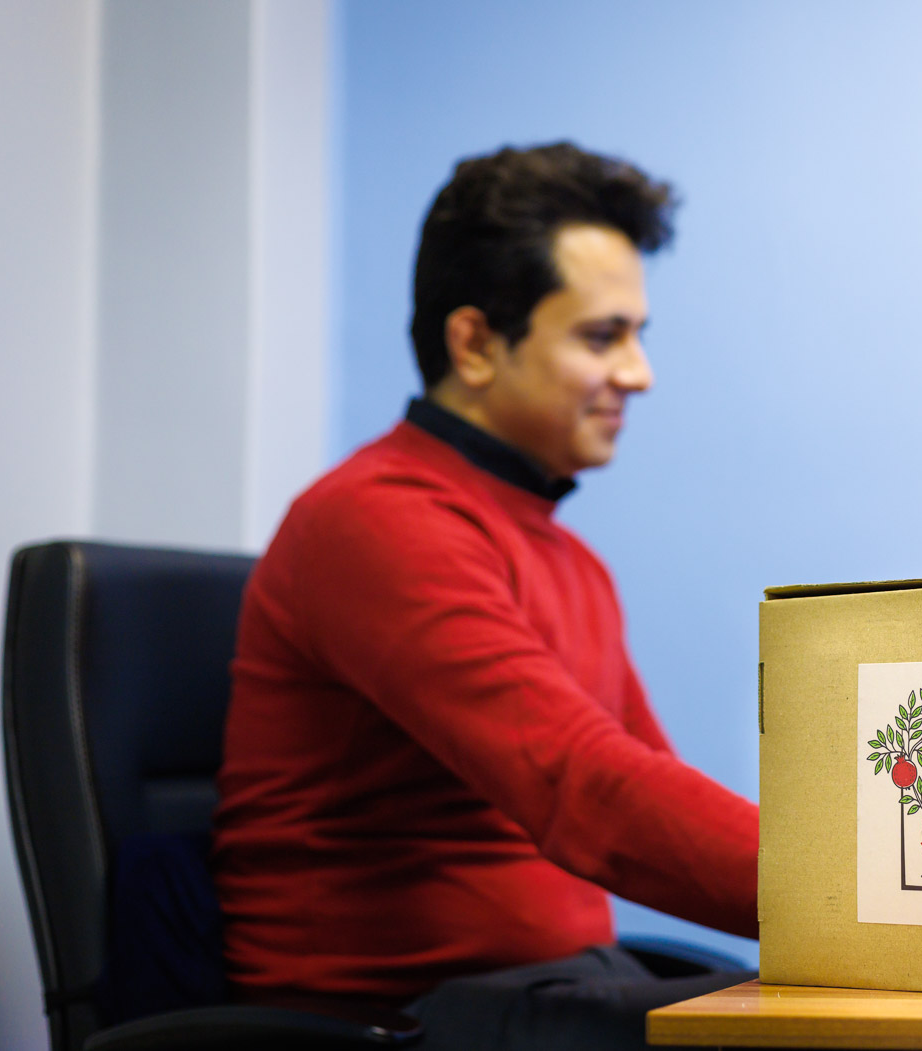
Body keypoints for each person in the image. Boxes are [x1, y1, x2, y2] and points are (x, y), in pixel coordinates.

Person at [212, 143, 759, 1050]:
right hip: (393, 1018)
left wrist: (865, 892)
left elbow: (650, 788)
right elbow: (587, 790)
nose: (638, 373)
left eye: (637, 336)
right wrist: (856, 894)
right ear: (473, 343)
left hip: (555, 986)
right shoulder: (375, 520)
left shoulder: (569, 558)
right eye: (602, 337)